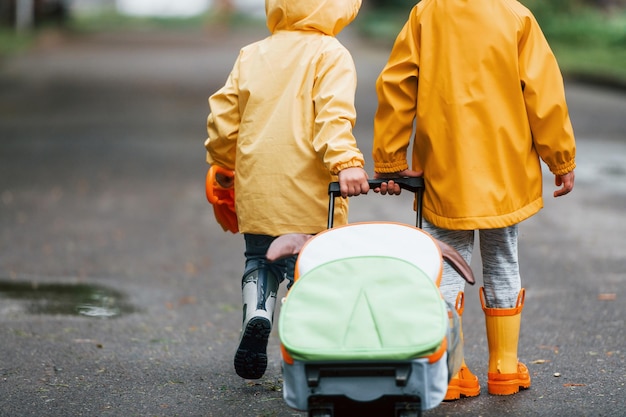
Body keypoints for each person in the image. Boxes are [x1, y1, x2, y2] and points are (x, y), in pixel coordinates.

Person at [371, 0, 576, 399]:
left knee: (447, 261)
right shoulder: (516, 15)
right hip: (505, 169)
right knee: (502, 258)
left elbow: (397, 86)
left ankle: (449, 369)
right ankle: (503, 366)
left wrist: (391, 159)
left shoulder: (425, 14)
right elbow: (543, 92)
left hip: (445, 169)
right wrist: (560, 157)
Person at [205, 0, 370, 380]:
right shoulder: (331, 53)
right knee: (308, 268)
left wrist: (223, 160)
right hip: (309, 192)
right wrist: (347, 162)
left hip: (258, 186)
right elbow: (332, 114)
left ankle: (258, 311)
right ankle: (306, 349)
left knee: (260, 259)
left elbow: (224, 118)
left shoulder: (252, 54)